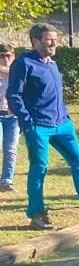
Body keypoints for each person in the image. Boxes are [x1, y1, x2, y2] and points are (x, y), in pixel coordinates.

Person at [5, 23, 79, 229]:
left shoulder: (52, 64)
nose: (54, 43)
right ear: (35, 41)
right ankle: (36, 215)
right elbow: (13, 95)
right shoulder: (24, 63)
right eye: (49, 39)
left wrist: (66, 116)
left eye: (55, 39)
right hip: (39, 126)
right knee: (40, 168)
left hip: (63, 124)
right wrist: (28, 123)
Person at [0, 43, 19, 193]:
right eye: (2, 55)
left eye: (8, 55)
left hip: (13, 116)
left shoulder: (18, 72)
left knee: (11, 148)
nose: (6, 59)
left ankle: (7, 180)